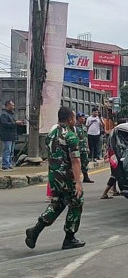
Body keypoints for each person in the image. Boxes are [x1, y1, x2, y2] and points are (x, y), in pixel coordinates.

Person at [25, 107, 85, 250]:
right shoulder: (70, 136)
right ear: (70, 119)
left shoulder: (51, 134)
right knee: (77, 202)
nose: (75, 120)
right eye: (74, 118)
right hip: (67, 177)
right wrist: (78, 182)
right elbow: (75, 160)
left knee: (58, 204)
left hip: (54, 175)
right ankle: (69, 238)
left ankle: (35, 231)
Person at [101, 118, 128, 199]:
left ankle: (114, 190)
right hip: (116, 155)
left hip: (115, 155)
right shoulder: (117, 133)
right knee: (115, 174)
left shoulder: (116, 132)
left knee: (115, 173)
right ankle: (105, 193)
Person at [1, 100, 24, 171]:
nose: (13, 107)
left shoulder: (11, 114)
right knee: (7, 150)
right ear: (8, 105)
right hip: (7, 136)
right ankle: (5, 165)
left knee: (11, 151)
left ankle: (9, 164)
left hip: (12, 135)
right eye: (12, 105)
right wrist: (15, 123)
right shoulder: (4, 114)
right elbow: (4, 124)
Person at [75, 112, 94, 183]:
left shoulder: (84, 127)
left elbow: (86, 138)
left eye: (84, 117)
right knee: (76, 163)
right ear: (78, 118)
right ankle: (76, 178)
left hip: (84, 148)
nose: (83, 119)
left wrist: (88, 147)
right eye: (81, 117)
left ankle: (86, 177)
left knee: (85, 162)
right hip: (77, 148)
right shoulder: (74, 127)